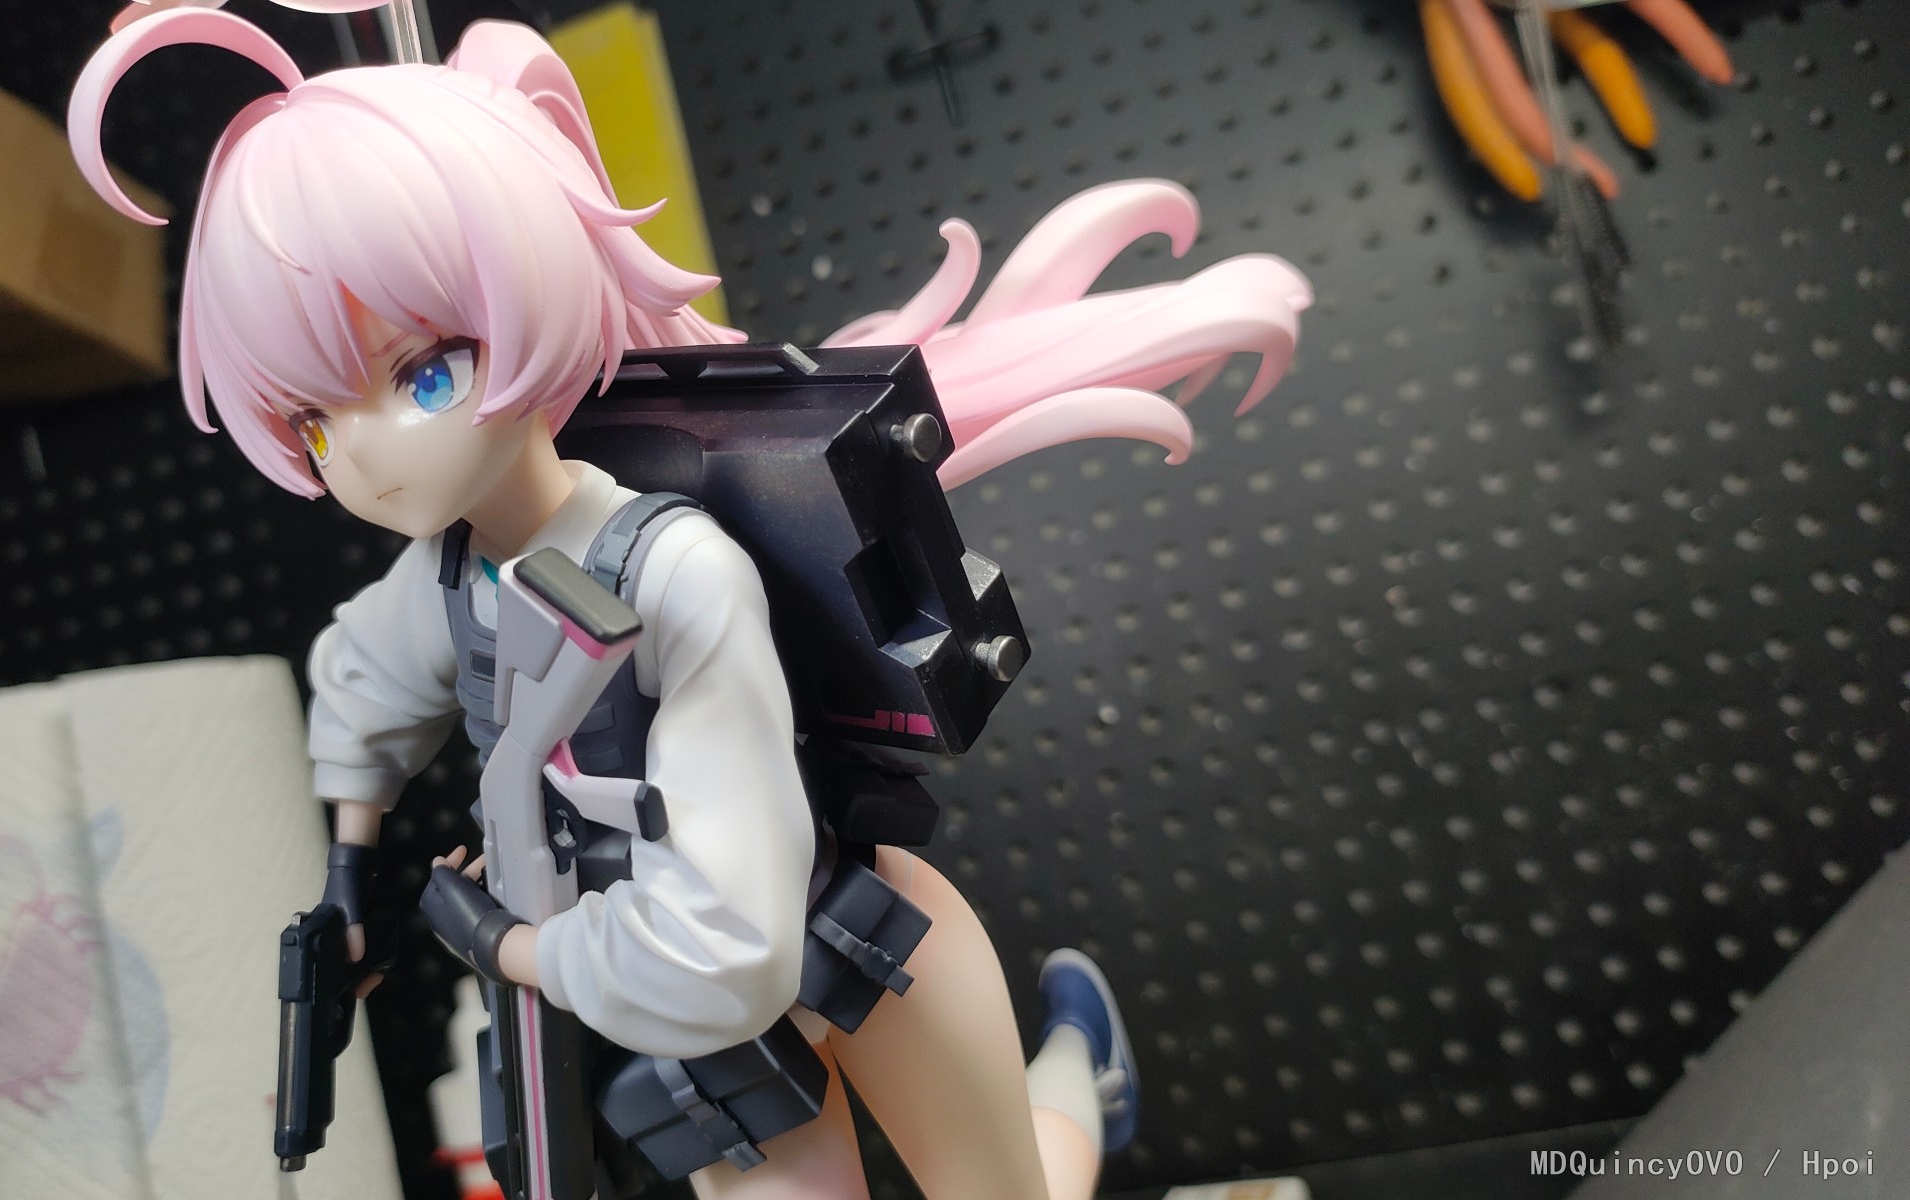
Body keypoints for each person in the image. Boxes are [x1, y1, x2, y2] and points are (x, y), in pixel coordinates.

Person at [68, 11, 1311, 1198]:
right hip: (698, 1035)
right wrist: (350, 877)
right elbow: (367, 684)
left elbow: (733, 938)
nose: (368, 454)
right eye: (312, 420)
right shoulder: (449, 573)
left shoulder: (672, 572)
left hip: (855, 948)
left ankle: (1081, 1079)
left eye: (424, 373)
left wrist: (511, 947)